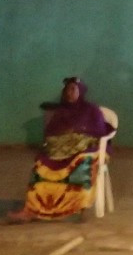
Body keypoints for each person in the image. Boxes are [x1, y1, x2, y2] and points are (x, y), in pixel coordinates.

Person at [8, 77, 113, 222]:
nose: (69, 93)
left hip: (82, 151)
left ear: (80, 91)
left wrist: (78, 141)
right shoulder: (61, 112)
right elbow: (50, 134)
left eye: (72, 89)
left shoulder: (91, 110)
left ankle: (78, 207)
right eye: (66, 90)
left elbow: (99, 134)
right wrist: (60, 144)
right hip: (60, 153)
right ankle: (31, 210)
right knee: (40, 166)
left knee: (83, 164)